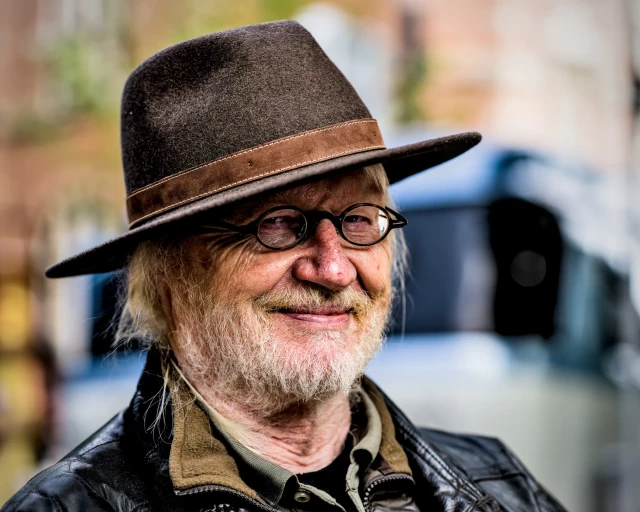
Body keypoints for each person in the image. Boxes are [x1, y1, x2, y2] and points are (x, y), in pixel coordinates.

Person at [2, 20, 566, 512]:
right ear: (170, 275)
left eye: (359, 219)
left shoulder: (496, 483)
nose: (334, 269)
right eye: (277, 225)